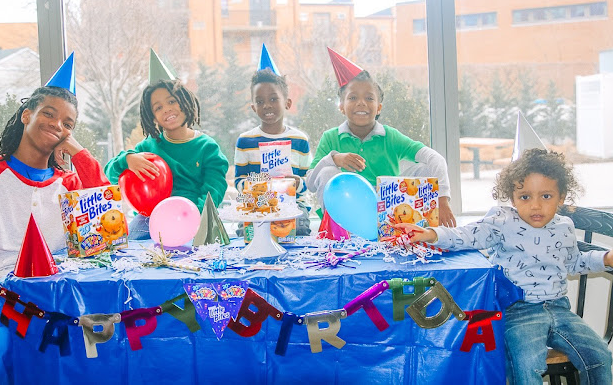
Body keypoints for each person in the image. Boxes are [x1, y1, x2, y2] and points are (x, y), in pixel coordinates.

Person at [396, 148, 613, 384]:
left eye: (546, 196)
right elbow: (467, 235)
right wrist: (432, 234)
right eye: (525, 197)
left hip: (559, 308)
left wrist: (605, 258)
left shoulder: (565, 226)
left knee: (600, 355)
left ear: (561, 197)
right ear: (512, 198)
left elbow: (573, 262)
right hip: (518, 311)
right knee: (527, 364)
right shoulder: (502, 221)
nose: (536, 206)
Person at [0, 85, 109, 306]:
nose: (57, 124)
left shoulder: (70, 184)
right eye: (48, 113)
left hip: (58, 298)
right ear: (26, 115)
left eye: (67, 124)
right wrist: (2, 300)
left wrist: (80, 153)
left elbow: (108, 227)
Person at [307, 48, 456, 226]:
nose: (361, 103)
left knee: (425, 168)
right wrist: (334, 159)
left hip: (390, 213)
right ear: (341, 106)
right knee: (326, 171)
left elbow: (435, 159)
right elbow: (311, 183)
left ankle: (421, 229)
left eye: (369, 98)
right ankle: (334, 228)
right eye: (352, 98)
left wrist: (442, 198)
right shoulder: (331, 137)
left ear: (379, 108)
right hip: (349, 215)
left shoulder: (390, 136)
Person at [104, 79, 228, 240]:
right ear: (153, 117)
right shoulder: (147, 147)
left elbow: (214, 190)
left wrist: (194, 217)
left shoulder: (208, 147)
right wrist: (127, 160)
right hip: (150, 220)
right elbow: (110, 175)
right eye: (158, 108)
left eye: (172, 101)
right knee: (129, 246)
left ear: (185, 101)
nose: (167, 109)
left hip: (192, 216)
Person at [234, 67, 312, 236]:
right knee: (246, 231)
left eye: (273, 99)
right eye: (260, 101)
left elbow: (309, 180)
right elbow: (239, 181)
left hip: (292, 205)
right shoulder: (245, 141)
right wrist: (255, 186)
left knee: (299, 227)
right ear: (253, 107)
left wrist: (297, 183)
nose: (267, 105)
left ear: (287, 103)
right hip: (257, 205)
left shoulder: (299, 140)